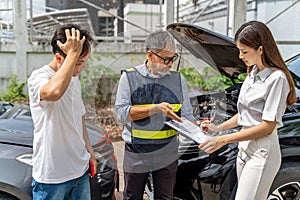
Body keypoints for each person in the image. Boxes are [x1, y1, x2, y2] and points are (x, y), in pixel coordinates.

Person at [199, 20, 297, 200]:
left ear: (260, 49)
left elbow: (267, 126)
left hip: (262, 152)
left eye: (244, 52)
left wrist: (223, 139)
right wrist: (218, 128)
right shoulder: (252, 74)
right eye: (239, 51)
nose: (240, 56)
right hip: (244, 149)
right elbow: (245, 114)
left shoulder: (277, 79)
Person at [115, 30, 195, 200]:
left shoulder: (178, 79)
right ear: (150, 55)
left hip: (167, 152)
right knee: (132, 196)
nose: (170, 64)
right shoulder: (129, 78)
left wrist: (197, 128)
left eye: (173, 59)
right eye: (165, 59)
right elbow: (122, 114)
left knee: (165, 197)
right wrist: (155, 109)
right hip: (137, 151)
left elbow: (187, 115)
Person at [28, 24, 97, 200]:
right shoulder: (39, 77)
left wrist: (90, 152)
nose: (82, 68)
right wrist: (73, 55)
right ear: (60, 58)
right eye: (78, 63)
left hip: (79, 171)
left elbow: (78, 117)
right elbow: (53, 93)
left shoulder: (74, 79)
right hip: (52, 178)